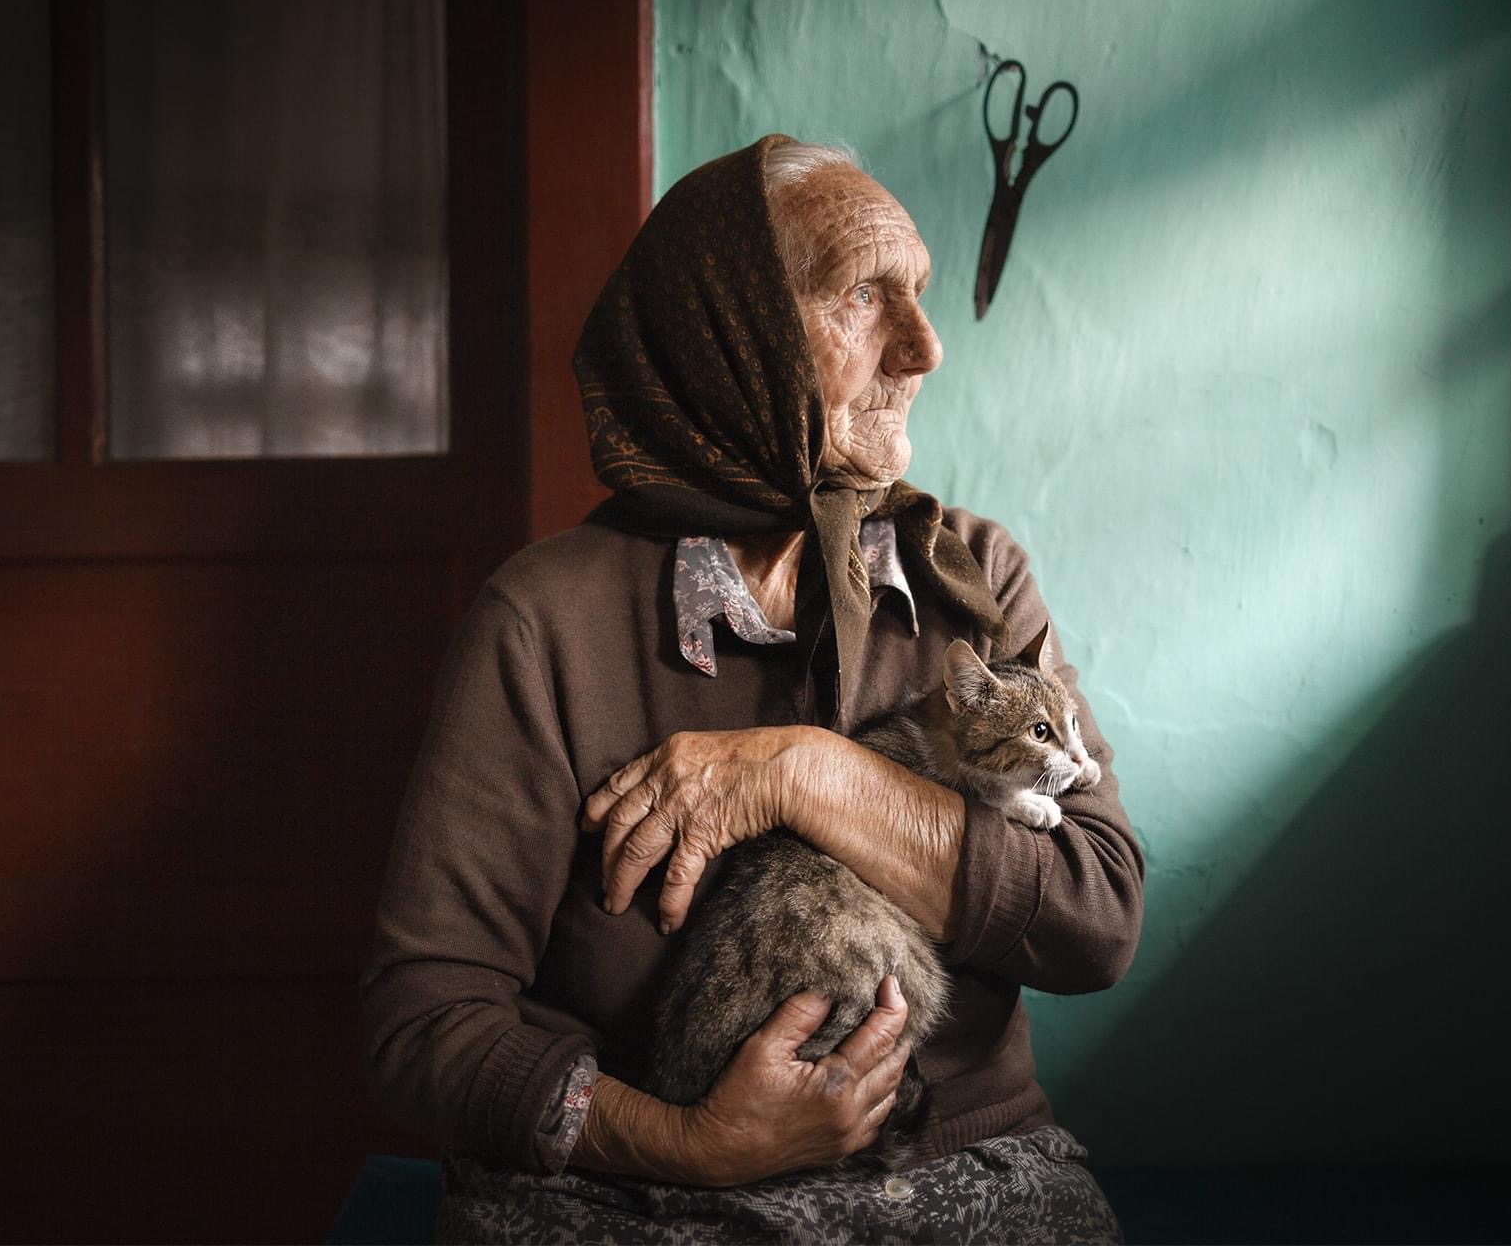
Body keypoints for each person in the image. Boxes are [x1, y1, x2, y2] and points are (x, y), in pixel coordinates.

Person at [360, 134, 1144, 1243]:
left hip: (951, 1164)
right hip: (627, 1187)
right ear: (727, 334)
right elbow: (424, 1021)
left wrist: (812, 775)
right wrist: (689, 1143)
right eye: (863, 295)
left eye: (920, 295)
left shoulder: (972, 573)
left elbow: (1097, 915)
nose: (924, 347)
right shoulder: (544, 619)